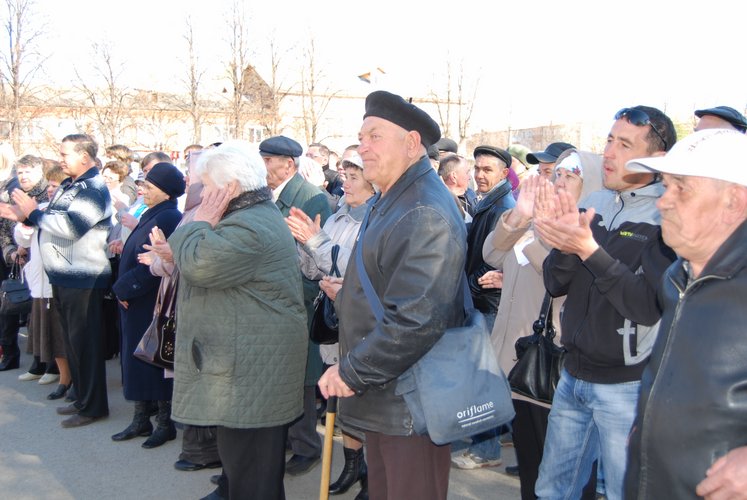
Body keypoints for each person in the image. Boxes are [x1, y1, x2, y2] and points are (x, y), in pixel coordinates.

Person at [319, 90, 467, 500]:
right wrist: (348, 294)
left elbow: (416, 321)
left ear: (412, 143)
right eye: (361, 137)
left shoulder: (422, 210)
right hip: (388, 394)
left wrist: (350, 372)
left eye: (375, 137)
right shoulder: (395, 198)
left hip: (410, 402)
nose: (362, 147)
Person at [532, 106, 678, 500]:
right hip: (572, 376)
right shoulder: (595, 202)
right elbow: (555, 283)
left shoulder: (667, 216)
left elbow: (646, 305)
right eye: (610, 140)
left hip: (626, 387)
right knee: (551, 490)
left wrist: (588, 250)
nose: (609, 152)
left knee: (621, 492)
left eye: (625, 144)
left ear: (657, 158)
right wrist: (566, 245)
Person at [169, 144, 308, 500]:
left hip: (251, 367)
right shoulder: (249, 215)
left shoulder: (249, 226)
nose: (201, 193)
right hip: (247, 361)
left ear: (229, 187)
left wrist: (200, 222)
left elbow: (198, 264)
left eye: (205, 185)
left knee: (253, 468)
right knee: (244, 458)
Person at [622, 129, 747, 499]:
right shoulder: (677, 275)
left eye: (682, 188)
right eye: (665, 186)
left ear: (734, 201)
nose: (663, 202)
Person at [482, 149, 603, 499]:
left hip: (552, 367)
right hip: (516, 361)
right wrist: (520, 217)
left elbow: (560, 279)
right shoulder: (538, 220)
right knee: (530, 466)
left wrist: (541, 234)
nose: (558, 181)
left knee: (562, 477)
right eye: (556, 174)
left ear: (591, 185)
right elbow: (492, 254)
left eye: (570, 176)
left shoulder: (589, 231)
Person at [0, 133, 113, 428]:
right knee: (73, 343)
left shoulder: (93, 188)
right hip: (63, 276)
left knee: (85, 344)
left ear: (84, 157)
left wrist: (33, 214)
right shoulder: (69, 185)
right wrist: (23, 217)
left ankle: (93, 407)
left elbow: (71, 226)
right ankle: (82, 398)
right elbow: (50, 218)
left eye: (65, 154)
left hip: (84, 278)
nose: (60, 159)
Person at [285, 151, 375, 499]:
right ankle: (352, 465)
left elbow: (356, 270)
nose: (345, 183)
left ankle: (372, 475)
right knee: (344, 401)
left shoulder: (377, 220)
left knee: (366, 400)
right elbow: (314, 270)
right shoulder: (337, 216)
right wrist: (303, 244)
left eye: (353, 177)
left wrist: (315, 241)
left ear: (371, 182)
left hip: (363, 324)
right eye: (345, 176)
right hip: (335, 321)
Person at [139, 147, 222, 475]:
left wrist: (165, 258)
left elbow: (195, 261)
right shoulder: (193, 212)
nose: (189, 180)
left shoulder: (208, 213)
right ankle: (196, 447)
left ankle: (205, 450)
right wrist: (162, 258)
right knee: (188, 377)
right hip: (180, 302)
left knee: (201, 379)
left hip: (198, 308)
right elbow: (175, 259)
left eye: (196, 176)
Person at [260, 134, 332, 477]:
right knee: (283, 374)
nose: (262, 168)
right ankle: (292, 439)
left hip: (298, 299)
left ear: (288, 165)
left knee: (301, 375)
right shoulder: (271, 195)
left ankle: (306, 445)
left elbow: (318, 254)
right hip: (275, 299)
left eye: (267, 161)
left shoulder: (311, 197)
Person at [110, 162, 184, 448]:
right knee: (136, 358)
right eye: (142, 184)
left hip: (149, 299)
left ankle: (164, 423)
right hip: (136, 298)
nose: (142, 190)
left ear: (166, 192)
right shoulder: (154, 212)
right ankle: (141, 418)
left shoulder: (168, 216)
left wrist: (126, 288)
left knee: (153, 360)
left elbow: (157, 261)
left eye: (149, 186)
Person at [452, 144, 516, 471]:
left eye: (487, 169)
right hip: (483, 301)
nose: (479, 174)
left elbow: (495, 261)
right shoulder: (487, 201)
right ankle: (501, 434)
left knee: (484, 379)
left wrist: (468, 286)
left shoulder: (503, 205)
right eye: (476, 168)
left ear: (504, 173)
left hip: (487, 304)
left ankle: (485, 449)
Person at [13, 164, 72, 399]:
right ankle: (48, 368)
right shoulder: (42, 208)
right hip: (39, 282)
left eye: (55, 185)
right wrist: (25, 222)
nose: (50, 189)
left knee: (58, 334)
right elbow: (23, 240)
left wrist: (35, 217)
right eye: (49, 185)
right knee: (44, 330)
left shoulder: (61, 212)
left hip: (57, 282)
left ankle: (64, 377)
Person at [0, 155, 48, 377]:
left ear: (39, 172)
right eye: (20, 172)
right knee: (9, 309)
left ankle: (44, 363)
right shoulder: (14, 194)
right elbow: (4, 230)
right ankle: (10, 354)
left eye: (28, 171)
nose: (23, 176)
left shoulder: (46, 195)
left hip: (42, 263)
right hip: (15, 263)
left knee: (38, 317)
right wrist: (12, 252)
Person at [438, 153, 477, 218]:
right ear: (453, 177)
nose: (469, 177)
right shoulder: (441, 204)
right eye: (467, 172)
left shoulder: (471, 195)